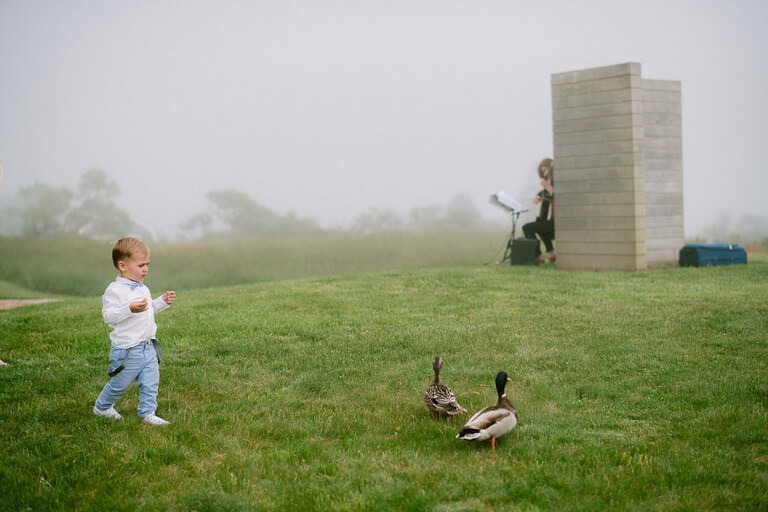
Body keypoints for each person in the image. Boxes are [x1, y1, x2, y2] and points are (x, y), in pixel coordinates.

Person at [93, 237, 176, 425]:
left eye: (147, 264)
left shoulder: (143, 288)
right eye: (140, 265)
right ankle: (102, 407)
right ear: (122, 266)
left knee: (151, 382)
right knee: (120, 384)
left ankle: (147, 413)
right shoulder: (115, 290)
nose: (145, 269)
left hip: (148, 346)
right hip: (128, 350)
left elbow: (147, 310)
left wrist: (162, 302)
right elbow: (109, 316)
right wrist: (129, 309)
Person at [523, 158, 556, 263]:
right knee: (540, 224)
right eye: (543, 173)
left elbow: (557, 197)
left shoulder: (557, 184)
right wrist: (537, 197)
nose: (546, 176)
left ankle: (539, 255)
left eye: (547, 172)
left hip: (558, 222)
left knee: (527, 228)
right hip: (551, 222)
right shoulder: (549, 186)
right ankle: (551, 254)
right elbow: (545, 194)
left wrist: (548, 187)